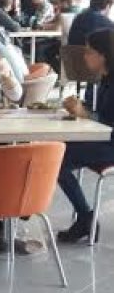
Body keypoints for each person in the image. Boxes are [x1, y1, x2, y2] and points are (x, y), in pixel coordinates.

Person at [56, 28, 114, 243]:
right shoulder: (101, 79)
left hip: (110, 144)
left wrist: (86, 114)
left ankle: (85, 218)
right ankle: (85, 218)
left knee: (56, 158)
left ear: (103, 55)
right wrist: (80, 108)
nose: (84, 56)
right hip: (103, 140)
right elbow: (97, 112)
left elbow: (108, 122)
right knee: (57, 150)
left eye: (89, 52)